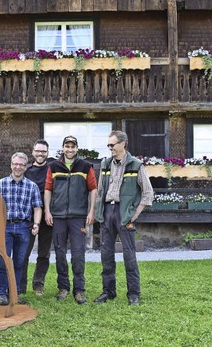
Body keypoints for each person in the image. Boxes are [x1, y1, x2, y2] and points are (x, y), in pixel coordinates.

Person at [93, 130, 154, 306]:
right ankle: (108, 292)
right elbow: (100, 190)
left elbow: (148, 193)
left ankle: (133, 294)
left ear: (123, 144)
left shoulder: (136, 165)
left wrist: (134, 214)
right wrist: (99, 212)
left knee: (129, 255)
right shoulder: (105, 164)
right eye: (108, 145)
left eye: (112, 145)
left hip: (124, 213)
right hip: (107, 213)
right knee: (106, 255)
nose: (110, 148)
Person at [44, 136, 98, 304]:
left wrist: (91, 211)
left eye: (72, 146)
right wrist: (47, 211)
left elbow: (93, 189)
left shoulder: (85, 166)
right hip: (58, 217)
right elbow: (47, 189)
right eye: (67, 146)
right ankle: (63, 287)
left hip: (78, 217)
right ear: (63, 148)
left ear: (77, 148)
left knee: (78, 254)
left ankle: (79, 290)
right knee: (60, 253)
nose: (69, 149)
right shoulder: (53, 166)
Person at [0, 152, 43, 306]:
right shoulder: (0, 184)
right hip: (4, 226)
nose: (18, 167)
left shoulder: (32, 186)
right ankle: (2, 293)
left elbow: (37, 207)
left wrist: (36, 224)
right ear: (11, 165)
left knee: (19, 262)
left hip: (24, 227)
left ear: (25, 167)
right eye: (15, 164)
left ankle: (14, 293)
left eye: (21, 165)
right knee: (3, 261)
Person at [21, 139, 51, 296]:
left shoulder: (51, 170)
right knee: (24, 252)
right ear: (33, 152)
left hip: (47, 217)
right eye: (38, 151)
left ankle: (38, 283)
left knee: (44, 253)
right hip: (28, 217)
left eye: (43, 151)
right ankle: (21, 285)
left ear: (47, 153)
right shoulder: (26, 171)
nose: (40, 154)